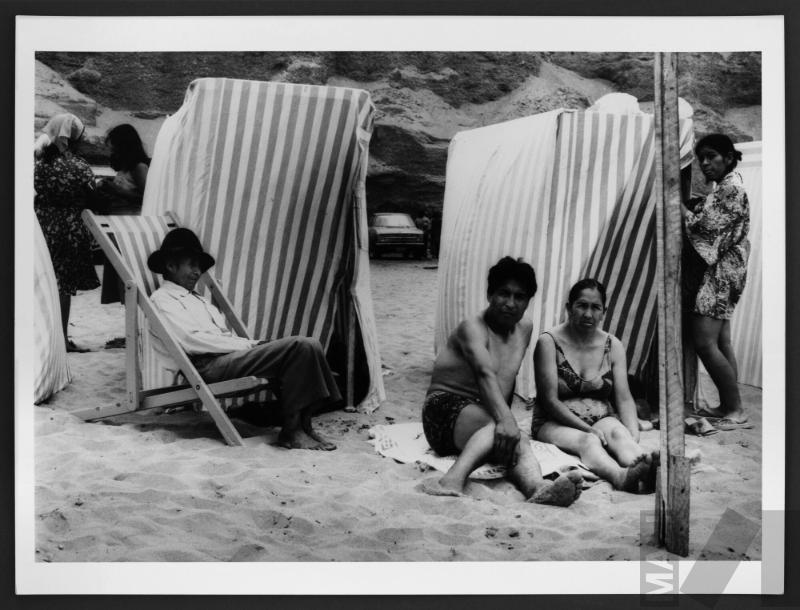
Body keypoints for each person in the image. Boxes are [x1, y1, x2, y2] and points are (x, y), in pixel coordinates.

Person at [147, 228, 341, 451]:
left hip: (227, 359)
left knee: (310, 345)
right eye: (192, 264)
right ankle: (292, 430)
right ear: (171, 265)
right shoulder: (163, 300)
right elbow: (192, 342)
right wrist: (251, 345)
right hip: (206, 367)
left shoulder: (197, 300)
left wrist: (252, 347)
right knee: (301, 346)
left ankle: (304, 425)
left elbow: (221, 336)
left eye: (199, 266)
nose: (198, 272)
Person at [421, 256, 583, 505]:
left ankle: (537, 488)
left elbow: (507, 376)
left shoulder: (525, 327)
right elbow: (485, 374)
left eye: (519, 297)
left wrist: (504, 420)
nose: (510, 303)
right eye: (503, 294)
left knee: (513, 436)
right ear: (489, 294)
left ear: (528, 301)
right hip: (443, 409)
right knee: (502, 430)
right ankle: (450, 481)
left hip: (483, 411)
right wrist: (505, 420)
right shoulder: (472, 328)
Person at [532, 279, 657, 494]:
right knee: (588, 441)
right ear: (569, 308)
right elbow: (549, 401)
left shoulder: (612, 345)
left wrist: (631, 434)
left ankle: (644, 468)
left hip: (601, 417)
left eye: (595, 307)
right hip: (554, 421)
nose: (588, 314)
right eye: (581, 305)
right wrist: (587, 429)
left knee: (619, 434)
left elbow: (624, 398)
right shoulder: (549, 342)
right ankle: (620, 478)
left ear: (603, 312)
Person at [681, 134, 750, 428]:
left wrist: (681, 210)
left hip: (720, 272)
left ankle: (735, 409)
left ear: (729, 158)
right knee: (722, 341)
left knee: (704, 341)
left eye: (712, 156)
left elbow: (704, 229)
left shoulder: (729, 189)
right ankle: (729, 406)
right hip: (728, 270)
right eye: (702, 159)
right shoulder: (727, 186)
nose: (706, 163)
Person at [34, 113, 100, 353]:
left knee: (42, 280)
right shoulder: (79, 166)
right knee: (63, 285)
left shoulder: (38, 164)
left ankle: (42, 336)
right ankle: (61, 339)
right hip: (69, 228)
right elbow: (94, 197)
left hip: (42, 226)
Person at [95, 125, 152, 339]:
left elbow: (148, 198)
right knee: (122, 283)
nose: (112, 153)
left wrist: (114, 189)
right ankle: (131, 332)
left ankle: (135, 333)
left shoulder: (139, 167)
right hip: (119, 230)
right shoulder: (126, 168)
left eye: (114, 148)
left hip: (131, 231)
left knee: (129, 282)